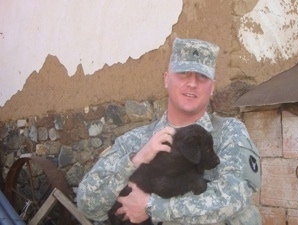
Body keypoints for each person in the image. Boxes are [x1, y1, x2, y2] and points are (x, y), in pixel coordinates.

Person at [77, 38, 262, 225]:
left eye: (202, 77)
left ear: (212, 87)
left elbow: (233, 198)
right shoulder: (134, 141)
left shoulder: (230, 133)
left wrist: (152, 207)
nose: (192, 83)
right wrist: (136, 160)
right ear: (166, 79)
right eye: (183, 73)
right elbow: (87, 205)